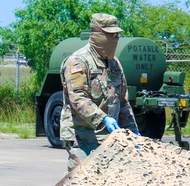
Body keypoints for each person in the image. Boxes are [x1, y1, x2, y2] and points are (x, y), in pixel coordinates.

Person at [59, 13, 141, 171]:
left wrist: (132, 131)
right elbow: (78, 99)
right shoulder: (78, 62)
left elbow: (123, 102)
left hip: (109, 138)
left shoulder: (114, 63)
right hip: (82, 136)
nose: (115, 39)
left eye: (117, 35)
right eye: (110, 35)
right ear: (97, 35)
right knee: (83, 182)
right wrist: (103, 119)